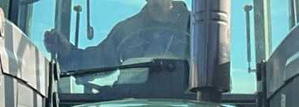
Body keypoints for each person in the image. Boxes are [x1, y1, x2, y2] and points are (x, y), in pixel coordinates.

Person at [45, 0, 190, 73]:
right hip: (129, 105)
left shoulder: (197, 29)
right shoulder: (127, 29)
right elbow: (99, 60)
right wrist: (68, 51)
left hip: (188, 104)